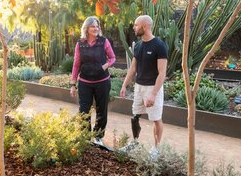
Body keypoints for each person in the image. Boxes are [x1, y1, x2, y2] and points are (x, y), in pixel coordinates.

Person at [119, 15, 168, 155]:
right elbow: (133, 68)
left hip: (153, 87)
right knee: (135, 116)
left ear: (145, 26)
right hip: (139, 87)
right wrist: (124, 85)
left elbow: (162, 72)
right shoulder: (139, 45)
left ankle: (156, 149)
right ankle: (134, 143)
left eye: (136, 25)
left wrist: (153, 94)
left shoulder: (159, 45)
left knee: (156, 119)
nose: (134, 27)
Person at [70, 16, 116, 146]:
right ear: (87, 28)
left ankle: (98, 137)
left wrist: (104, 66)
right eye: (93, 26)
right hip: (85, 82)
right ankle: (85, 136)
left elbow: (112, 58)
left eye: (97, 26)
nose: (96, 28)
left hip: (102, 81)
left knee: (102, 109)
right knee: (84, 110)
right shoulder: (80, 44)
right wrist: (73, 84)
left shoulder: (103, 41)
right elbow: (76, 64)